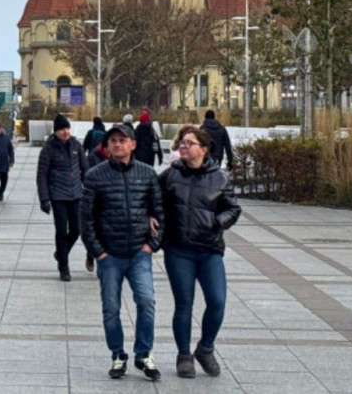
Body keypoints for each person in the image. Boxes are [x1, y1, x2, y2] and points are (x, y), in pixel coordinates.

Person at [157, 126, 241, 378]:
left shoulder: (220, 178)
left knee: (217, 301)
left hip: (209, 250)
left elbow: (233, 209)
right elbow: (153, 203)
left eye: (190, 143)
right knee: (184, 304)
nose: (183, 146)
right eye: (182, 143)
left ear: (203, 149)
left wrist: (217, 222)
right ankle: (184, 356)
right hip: (178, 250)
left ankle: (205, 348)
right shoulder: (169, 176)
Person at [82, 122, 163, 381]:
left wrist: (153, 244)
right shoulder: (95, 175)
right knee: (111, 308)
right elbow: (85, 218)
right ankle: (118, 354)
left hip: (140, 252)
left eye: (123, 140)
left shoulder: (147, 174)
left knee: (147, 302)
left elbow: (160, 211)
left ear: (133, 144)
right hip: (110, 255)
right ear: (106, 146)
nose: (118, 144)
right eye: (113, 140)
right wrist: (98, 252)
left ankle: (144, 353)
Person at [37, 113, 87, 281]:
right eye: (62, 129)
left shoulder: (76, 146)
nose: (66, 132)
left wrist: (91, 189)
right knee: (61, 231)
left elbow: (85, 169)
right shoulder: (48, 149)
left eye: (67, 128)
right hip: (58, 195)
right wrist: (44, 198)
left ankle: (60, 253)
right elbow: (41, 175)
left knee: (76, 230)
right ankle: (64, 267)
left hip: (76, 194)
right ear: (56, 131)